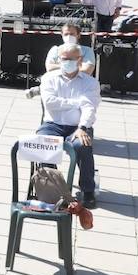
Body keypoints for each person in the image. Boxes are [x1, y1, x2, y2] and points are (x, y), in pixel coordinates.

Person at [37, 42, 99, 209]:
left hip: (77, 126)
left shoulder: (90, 82)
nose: (68, 62)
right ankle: (55, 188)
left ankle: (88, 190)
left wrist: (83, 127)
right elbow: (50, 103)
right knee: (42, 143)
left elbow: (89, 107)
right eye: (64, 59)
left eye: (72, 59)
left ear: (80, 60)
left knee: (82, 145)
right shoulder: (48, 78)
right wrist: (76, 102)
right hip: (53, 124)